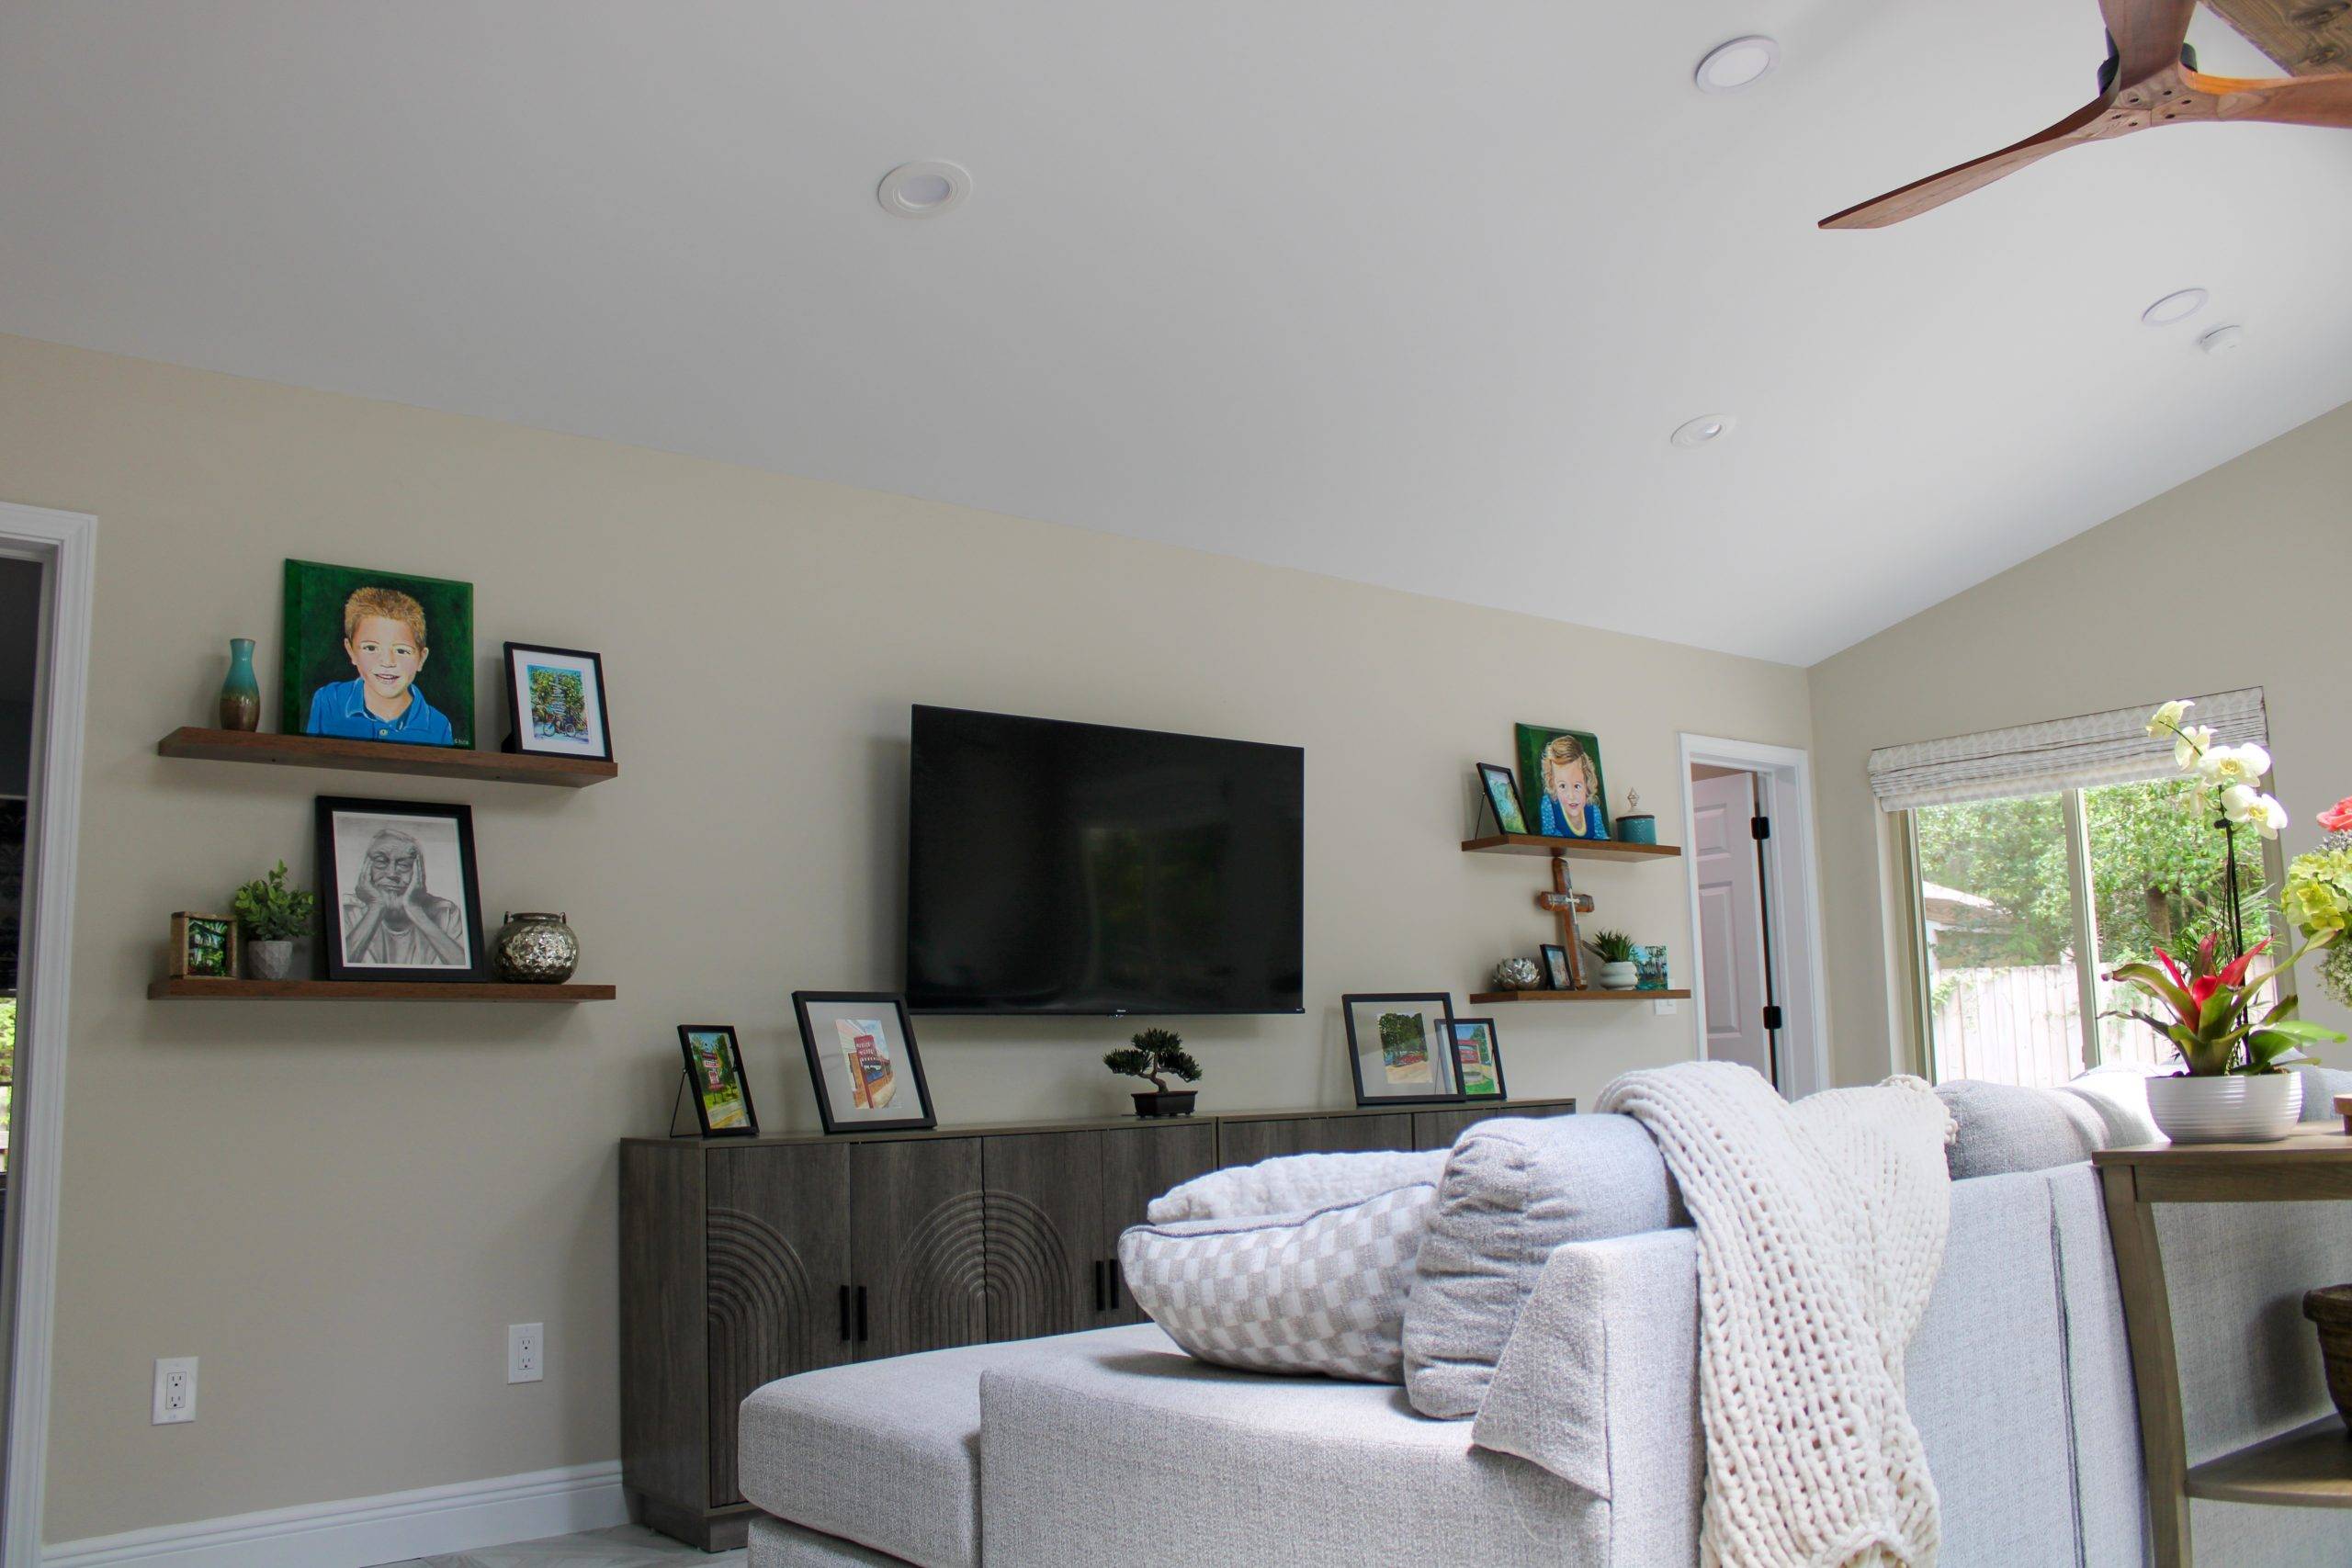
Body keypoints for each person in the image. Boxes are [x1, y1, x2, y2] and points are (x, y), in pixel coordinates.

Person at [304, 586, 455, 745]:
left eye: (401, 651)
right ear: (351, 651)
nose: (387, 662)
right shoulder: (328, 700)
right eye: (371, 648)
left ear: (421, 659)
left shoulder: (439, 725)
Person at [342, 827, 468, 966]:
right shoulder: (347, 910)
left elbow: (467, 969)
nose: (392, 874)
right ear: (366, 869)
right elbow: (339, 966)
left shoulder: (446, 912)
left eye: (404, 865)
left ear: (419, 872)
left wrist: (415, 909)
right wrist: (376, 907)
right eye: (381, 861)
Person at [1536, 734, 1602, 838]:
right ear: (1553, 784)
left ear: (1587, 783)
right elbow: (1549, 840)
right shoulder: (1549, 805)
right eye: (1562, 786)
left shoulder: (1593, 810)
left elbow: (1603, 840)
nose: (1571, 796)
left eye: (1577, 786)